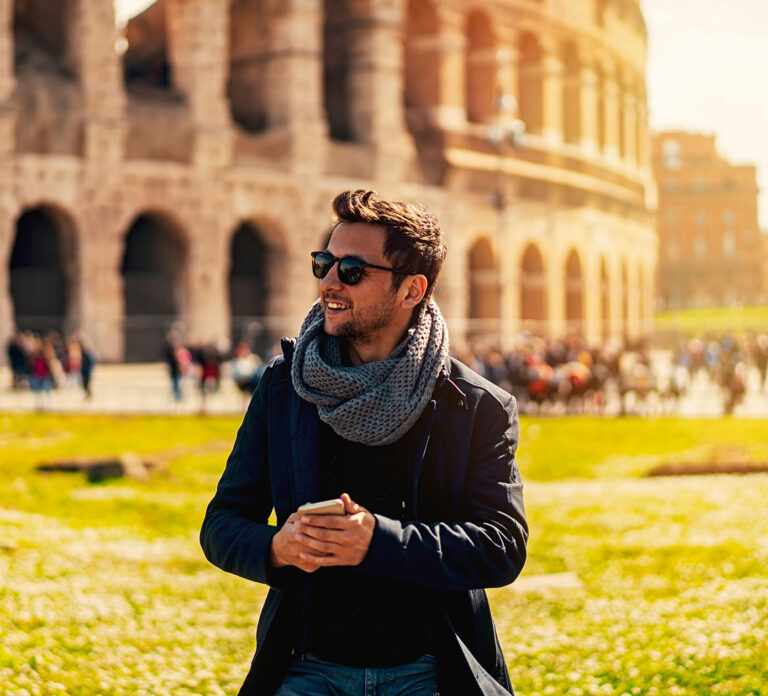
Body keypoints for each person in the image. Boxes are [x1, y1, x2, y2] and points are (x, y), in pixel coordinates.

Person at [200, 190, 528, 696]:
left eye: (351, 270)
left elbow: (503, 548)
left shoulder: (477, 405)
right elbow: (221, 524)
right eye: (324, 263)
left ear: (411, 290)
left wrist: (379, 541)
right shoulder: (285, 388)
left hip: (430, 670)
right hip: (304, 667)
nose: (329, 282)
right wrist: (276, 547)